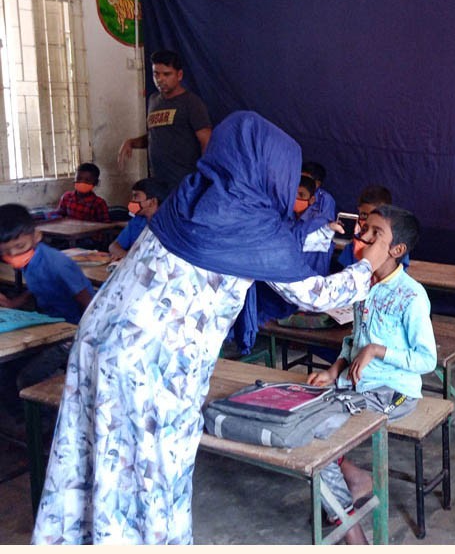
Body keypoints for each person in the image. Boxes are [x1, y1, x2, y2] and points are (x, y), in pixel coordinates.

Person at [31, 111, 390, 545]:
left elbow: (259, 243)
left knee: (93, 458)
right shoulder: (253, 229)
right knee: (149, 478)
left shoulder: (196, 196)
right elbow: (314, 294)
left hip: (99, 341)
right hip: (151, 367)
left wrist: (311, 233)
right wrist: (366, 265)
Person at [307, 204, 436, 545]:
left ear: (397, 250)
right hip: (357, 387)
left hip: (394, 392)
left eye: (376, 233)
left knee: (314, 435)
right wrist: (335, 367)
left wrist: (378, 350)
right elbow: (355, 338)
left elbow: (427, 359)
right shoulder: (362, 284)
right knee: (305, 421)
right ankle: (354, 476)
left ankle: (351, 530)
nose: (363, 236)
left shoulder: (411, 295)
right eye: (365, 228)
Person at [0, 203, 94, 416]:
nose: (14, 254)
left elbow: (89, 302)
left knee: (28, 378)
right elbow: (38, 287)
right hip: (49, 326)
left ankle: (41, 427)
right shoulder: (30, 259)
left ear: (37, 236)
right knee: (7, 368)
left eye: (19, 246)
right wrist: (14, 303)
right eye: (6, 252)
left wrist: (83, 338)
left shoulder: (57, 263)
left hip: (72, 334)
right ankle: (19, 419)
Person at [117, 49, 212, 192]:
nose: (160, 79)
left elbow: (207, 140)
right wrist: (131, 142)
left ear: (179, 75)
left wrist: (202, 177)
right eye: (156, 73)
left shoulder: (191, 102)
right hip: (158, 181)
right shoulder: (154, 100)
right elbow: (154, 136)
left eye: (166, 74)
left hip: (184, 182)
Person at [336, 185, 409, 269]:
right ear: (358, 210)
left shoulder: (395, 242)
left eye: (375, 216)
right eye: (363, 215)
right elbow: (346, 268)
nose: (368, 221)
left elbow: (399, 274)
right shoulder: (355, 238)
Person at [108, 177, 168, 261]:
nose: (132, 201)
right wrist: (130, 259)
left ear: (152, 202)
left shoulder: (168, 225)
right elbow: (113, 246)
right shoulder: (137, 221)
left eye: (136, 196)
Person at [296, 161, 337, 276]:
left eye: (307, 179)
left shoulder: (325, 200)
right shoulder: (292, 193)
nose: (302, 182)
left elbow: (322, 227)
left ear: (317, 183)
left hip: (315, 249)